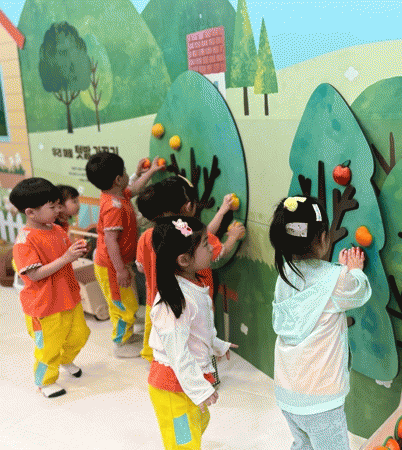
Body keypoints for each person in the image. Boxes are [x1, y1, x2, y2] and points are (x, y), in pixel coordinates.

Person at [269, 196, 371, 450]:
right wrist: (354, 270)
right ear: (323, 237)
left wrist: (340, 271)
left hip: (287, 392)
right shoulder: (336, 280)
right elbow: (359, 291)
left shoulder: (284, 276)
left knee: (303, 444)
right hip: (321, 399)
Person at [148, 217, 236, 450]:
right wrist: (199, 390)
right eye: (206, 244)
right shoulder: (174, 303)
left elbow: (199, 330)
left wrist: (217, 344)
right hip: (173, 386)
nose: (212, 247)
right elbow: (177, 354)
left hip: (188, 379)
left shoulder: (193, 285)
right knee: (183, 441)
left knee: (198, 423)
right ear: (184, 260)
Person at [136, 175, 245, 361]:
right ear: (188, 206)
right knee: (195, 344)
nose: (206, 246)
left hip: (155, 301)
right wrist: (233, 237)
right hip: (191, 303)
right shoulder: (188, 234)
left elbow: (140, 267)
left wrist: (222, 211)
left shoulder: (148, 235)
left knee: (162, 345)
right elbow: (218, 249)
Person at [9, 178, 90, 398]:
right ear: (31, 212)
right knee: (48, 347)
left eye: (58, 205)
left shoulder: (56, 229)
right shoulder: (24, 241)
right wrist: (66, 258)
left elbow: (64, 255)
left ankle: (65, 360)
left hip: (69, 297)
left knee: (80, 335)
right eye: (52, 206)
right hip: (44, 306)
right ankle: (45, 382)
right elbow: (34, 274)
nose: (59, 210)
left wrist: (75, 251)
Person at [85, 151, 164, 357]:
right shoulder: (113, 207)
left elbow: (135, 188)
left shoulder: (117, 195)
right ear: (118, 180)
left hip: (119, 265)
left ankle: (127, 334)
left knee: (128, 302)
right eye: (126, 171)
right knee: (122, 307)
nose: (129, 174)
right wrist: (120, 270)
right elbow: (110, 241)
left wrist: (149, 172)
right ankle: (120, 343)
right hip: (112, 268)